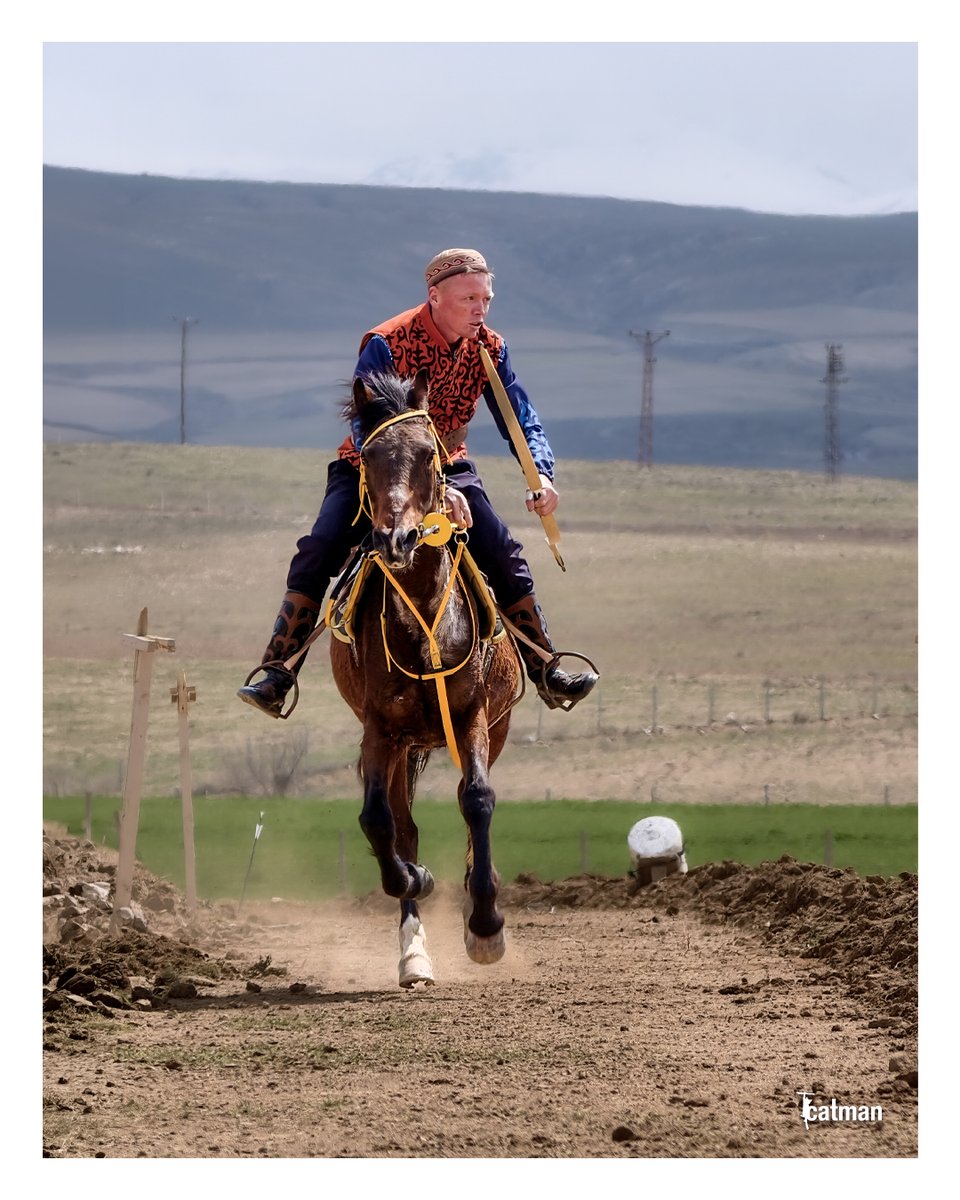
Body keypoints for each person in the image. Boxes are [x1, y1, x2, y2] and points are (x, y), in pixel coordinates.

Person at [238, 247, 599, 718]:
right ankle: (278, 671)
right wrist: (431, 494)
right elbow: (367, 423)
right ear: (435, 297)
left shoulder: (491, 348)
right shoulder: (387, 342)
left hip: (446, 461)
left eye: (486, 299)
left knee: (501, 547)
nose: (480, 309)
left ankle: (546, 668)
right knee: (321, 544)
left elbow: (519, 418)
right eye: (470, 298)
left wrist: (542, 474)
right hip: (377, 465)